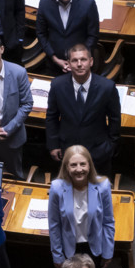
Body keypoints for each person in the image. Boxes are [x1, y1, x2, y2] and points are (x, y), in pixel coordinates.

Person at [47, 44, 122, 176]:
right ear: (69, 63)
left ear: (91, 61)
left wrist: (110, 146)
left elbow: (115, 119)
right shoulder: (57, 85)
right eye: (75, 60)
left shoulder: (107, 87)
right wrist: (53, 144)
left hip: (99, 152)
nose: (79, 64)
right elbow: (52, 117)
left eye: (83, 60)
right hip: (68, 151)